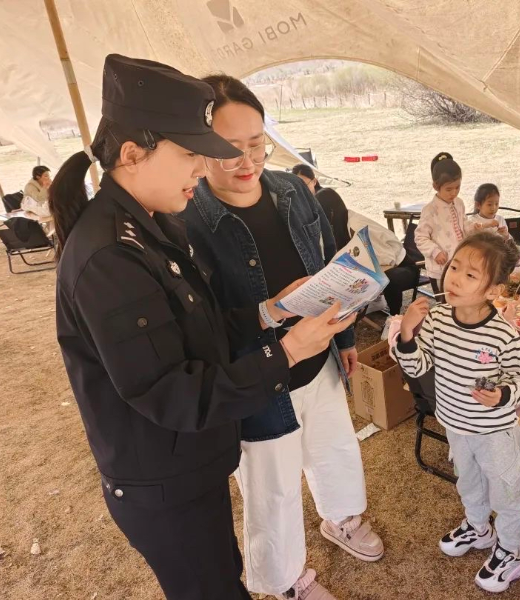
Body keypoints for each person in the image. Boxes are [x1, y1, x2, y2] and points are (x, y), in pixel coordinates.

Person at [50, 55, 352, 600]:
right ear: (132, 153)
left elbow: (199, 327)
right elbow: (174, 393)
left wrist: (269, 311)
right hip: (163, 481)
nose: (201, 169)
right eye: (191, 153)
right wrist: (285, 353)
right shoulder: (111, 257)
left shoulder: (152, 222)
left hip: (192, 466)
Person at [182, 74, 382, 600]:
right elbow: (202, 323)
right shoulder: (188, 219)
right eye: (229, 150)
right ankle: (284, 578)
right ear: (198, 149)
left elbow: (327, 263)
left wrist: (344, 341)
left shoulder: (291, 189)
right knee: (271, 485)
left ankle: (341, 518)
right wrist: (270, 312)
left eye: (256, 144)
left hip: (318, 356)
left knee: (333, 447)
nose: (247, 161)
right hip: (258, 375)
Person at [393, 231, 520, 593]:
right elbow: (417, 365)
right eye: (454, 267)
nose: (454, 279)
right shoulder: (438, 319)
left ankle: (512, 551)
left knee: (505, 491)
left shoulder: (503, 335)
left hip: (494, 432)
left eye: (470, 275)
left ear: (493, 290)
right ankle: (479, 528)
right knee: (468, 481)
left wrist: (501, 394)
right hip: (455, 425)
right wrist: (406, 333)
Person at [316, 187, 420, 315]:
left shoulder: (357, 225)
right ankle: (361, 307)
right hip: (381, 268)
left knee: (387, 278)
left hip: (403, 267)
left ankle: (394, 317)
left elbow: (388, 258)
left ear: (331, 212)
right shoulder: (341, 223)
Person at [414, 152, 466, 293]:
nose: (454, 193)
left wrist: (476, 228)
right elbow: (420, 237)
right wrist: (435, 252)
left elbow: (464, 225)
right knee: (444, 299)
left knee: (460, 296)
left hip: (460, 262)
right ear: (436, 186)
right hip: (440, 268)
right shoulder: (430, 210)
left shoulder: (459, 203)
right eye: (448, 189)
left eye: (457, 187)